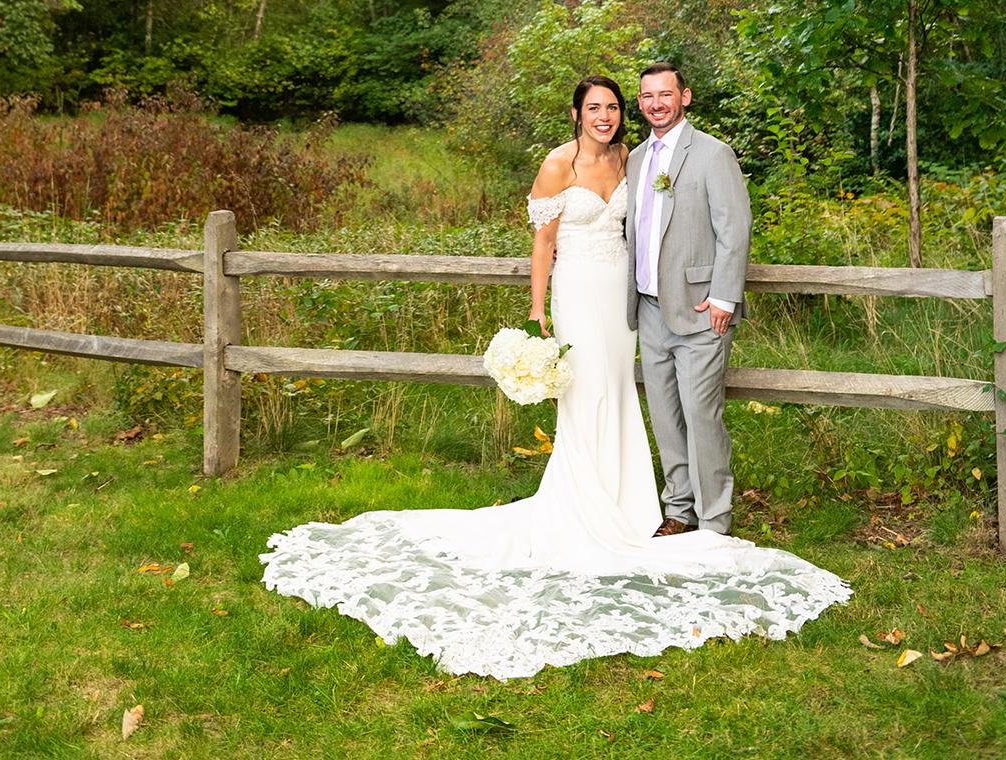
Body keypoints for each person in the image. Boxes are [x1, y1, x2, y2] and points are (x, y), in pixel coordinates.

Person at [261, 76, 849, 679]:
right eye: (601, 106)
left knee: (643, 400)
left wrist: (724, 292)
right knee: (609, 400)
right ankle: (637, 508)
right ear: (576, 113)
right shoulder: (577, 161)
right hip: (593, 299)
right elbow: (544, 241)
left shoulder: (651, 155)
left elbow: (716, 228)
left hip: (643, 307)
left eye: (618, 106)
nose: (614, 114)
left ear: (675, 100)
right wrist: (538, 309)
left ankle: (688, 515)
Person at [626, 63, 750, 536]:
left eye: (665, 94)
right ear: (640, 103)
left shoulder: (713, 154)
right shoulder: (637, 159)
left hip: (701, 309)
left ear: (685, 97)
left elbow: (734, 229)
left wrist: (723, 297)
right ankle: (679, 510)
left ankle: (715, 520)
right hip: (649, 308)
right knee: (665, 415)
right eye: (647, 96)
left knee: (701, 416)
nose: (656, 103)